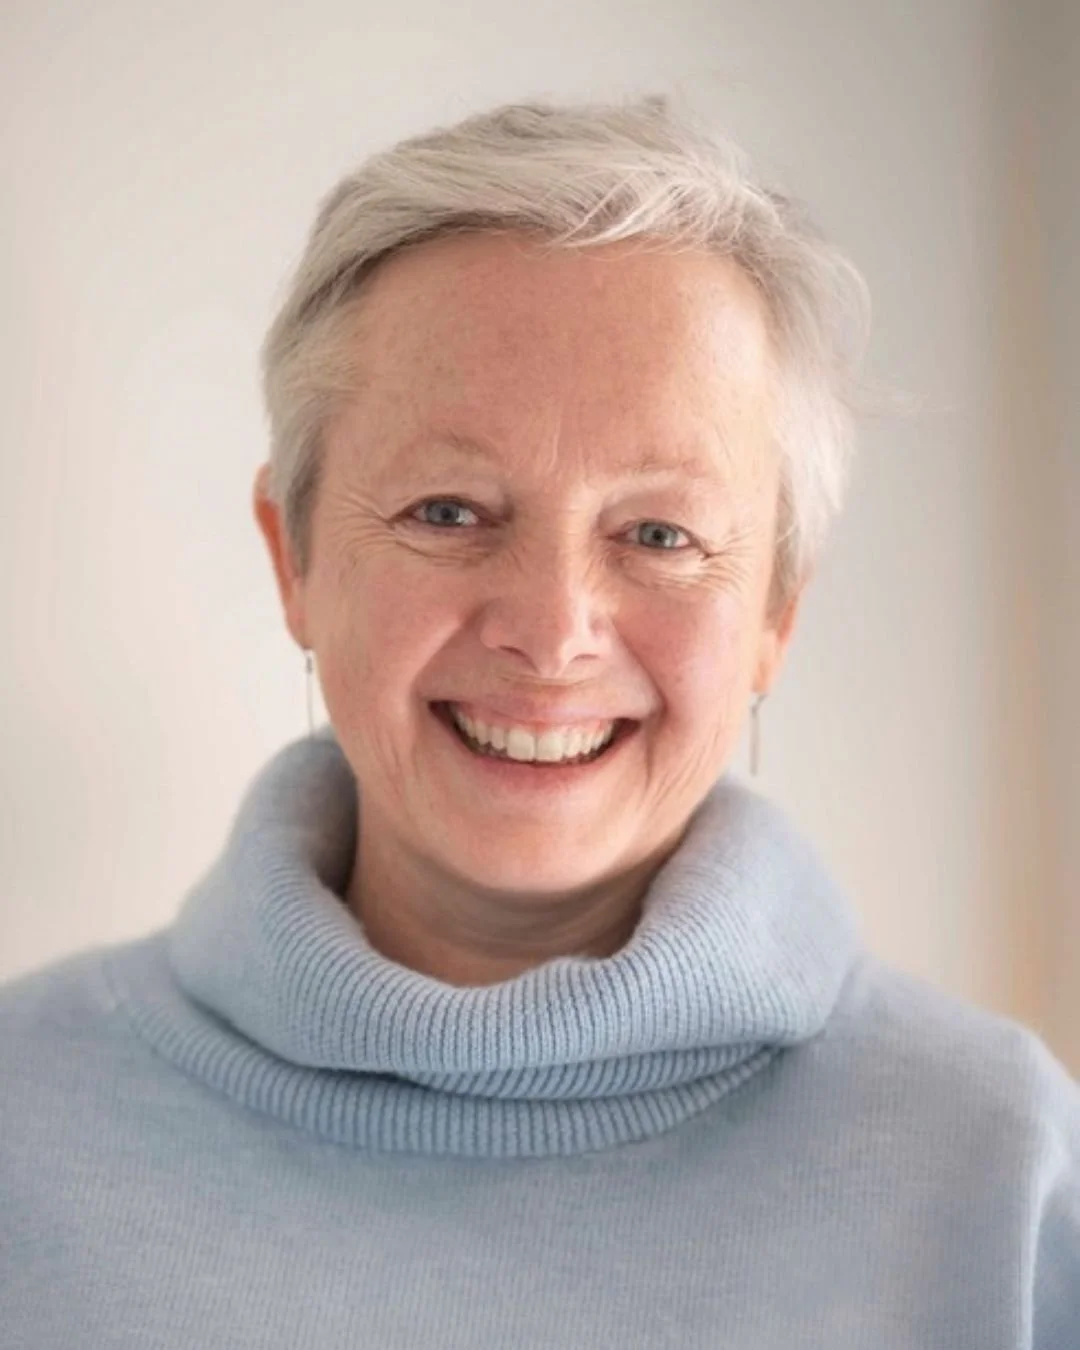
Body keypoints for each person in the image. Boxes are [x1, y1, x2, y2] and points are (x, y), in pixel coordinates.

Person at [2, 94, 1078, 1348]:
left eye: (659, 533)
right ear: (294, 558)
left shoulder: (996, 1174)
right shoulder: (22, 1123)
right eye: (449, 511)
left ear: (776, 613)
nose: (554, 631)